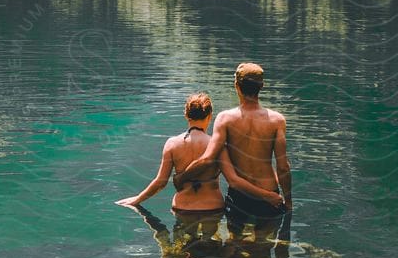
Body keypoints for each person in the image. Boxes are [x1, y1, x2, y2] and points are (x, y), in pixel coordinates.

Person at [175, 60, 290, 230]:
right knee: (263, 247)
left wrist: (181, 177)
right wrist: (289, 202)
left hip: (239, 196)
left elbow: (208, 159)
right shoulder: (277, 120)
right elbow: (283, 168)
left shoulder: (225, 119)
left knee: (235, 246)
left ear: (236, 85)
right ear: (262, 86)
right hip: (270, 193)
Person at [117, 93, 229, 218]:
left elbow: (160, 182)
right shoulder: (217, 145)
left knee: (183, 237)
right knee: (211, 236)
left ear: (186, 115)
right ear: (209, 116)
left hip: (182, 208)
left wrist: (137, 200)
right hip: (213, 208)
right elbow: (232, 178)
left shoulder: (172, 144)